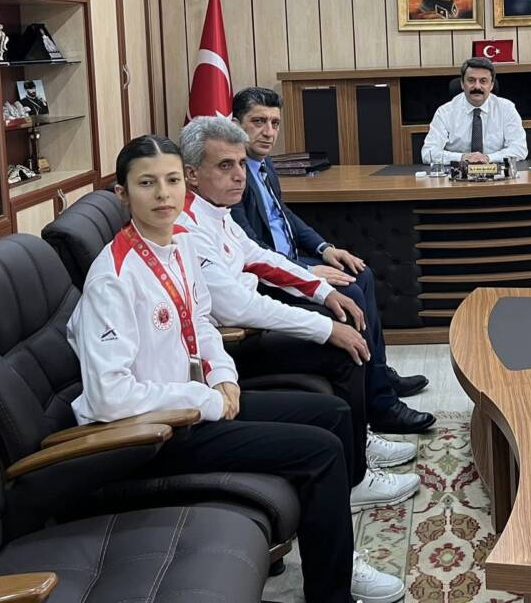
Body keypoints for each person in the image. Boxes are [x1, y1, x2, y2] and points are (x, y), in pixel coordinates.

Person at [67, 135, 406, 603]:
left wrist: (224, 378)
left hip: (200, 402)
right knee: (322, 452)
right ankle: (332, 593)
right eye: (147, 184)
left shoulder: (178, 244)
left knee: (333, 414)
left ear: (184, 184)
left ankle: (337, 550)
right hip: (155, 432)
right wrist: (207, 399)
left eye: (170, 181)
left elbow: (203, 323)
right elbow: (109, 396)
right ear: (122, 194)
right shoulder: (113, 278)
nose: (163, 194)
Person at [178, 116, 425, 510]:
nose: (240, 175)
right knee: (342, 347)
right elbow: (237, 306)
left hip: (244, 329)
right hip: (225, 348)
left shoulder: (216, 212)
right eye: (225, 165)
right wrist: (324, 328)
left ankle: (356, 439)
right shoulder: (187, 226)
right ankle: (354, 479)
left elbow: (261, 258)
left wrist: (323, 291)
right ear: (192, 174)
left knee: (345, 316)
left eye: (240, 163)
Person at [229, 87, 437, 435]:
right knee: (350, 293)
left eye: (275, 123)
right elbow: (249, 247)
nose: (268, 132)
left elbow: (284, 216)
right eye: (258, 122)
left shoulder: (264, 165)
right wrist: (307, 271)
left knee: (360, 273)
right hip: (267, 278)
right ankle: (381, 405)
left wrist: (325, 248)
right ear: (236, 125)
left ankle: (379, 374)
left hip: (291, 260)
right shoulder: (233, 176)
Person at [421, 57, 527, 165]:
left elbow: (519, 149)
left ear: (491, 85)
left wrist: (488, 158)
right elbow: (428, 152)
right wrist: (463, 157)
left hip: (496, 171)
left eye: (483, 81)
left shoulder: (506, 109)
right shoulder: (445, 112)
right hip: (458, 173)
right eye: (471, 80)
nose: (477, 86)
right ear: (462, 84)